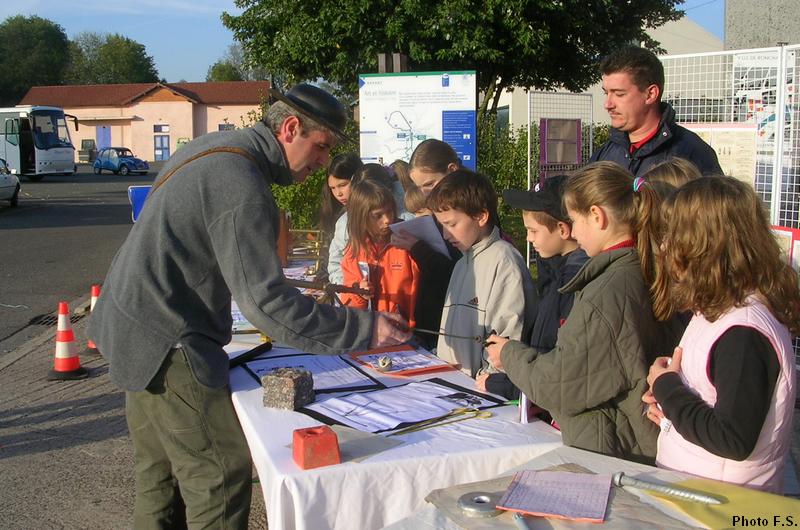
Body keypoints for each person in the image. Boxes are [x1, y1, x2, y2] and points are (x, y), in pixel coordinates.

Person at [88, 83, 411, 528]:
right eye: (321, 148)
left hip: (130, 327)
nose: (322, 164)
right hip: (168, 342)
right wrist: (363, 329)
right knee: (220, 477)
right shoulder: (240, 182)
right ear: (291, 128)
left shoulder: (217, 148)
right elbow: (267, 305)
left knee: (159, 478)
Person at [487, 161, 683, 464]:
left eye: (575, 221)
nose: (574, 233)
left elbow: (561, 385)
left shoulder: (608, 290)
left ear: (597, 216)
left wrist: (510, 354)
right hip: (635, 440)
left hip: (615, 453)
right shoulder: (644, 266)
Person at [643, 176, 799, 493]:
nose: (664, 247)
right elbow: (716, 394)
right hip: (704, 489)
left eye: (673, 237)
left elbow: (733, 438)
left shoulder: (743, 331)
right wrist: (673, 400)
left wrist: (667, 387)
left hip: (724, 505)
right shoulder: (723, 308)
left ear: (702, 247)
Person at [479, 175, 589, 399]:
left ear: (562, 229)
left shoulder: (575, 284)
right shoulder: (556, 274)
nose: (527, 238)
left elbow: (563, 369)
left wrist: (508, 371)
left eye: (533, 230)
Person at [429, 169, 536, 378]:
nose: (445, 234)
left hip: (483, 396)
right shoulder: (461, 263)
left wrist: (489, 382)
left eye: (451, 224)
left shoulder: (504, 261)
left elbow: (507, 336)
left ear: (480, 216)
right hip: (454, 389)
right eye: (441, 225)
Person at [591, 46, 722, 177]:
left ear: (650, 94)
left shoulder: (692, 154)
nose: (607, 104)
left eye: (619, 94)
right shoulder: (604, 154)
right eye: (606, 93)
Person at [392, 139, 463, 348]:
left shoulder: (465, 212)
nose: (425, 194)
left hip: (453, 322)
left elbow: (456, 271)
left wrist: (418, 248)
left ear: (452, 170)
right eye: (419, 187)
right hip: (433, 319)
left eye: (430, 184)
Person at [339, 176, 420, 325]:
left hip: (409, 331)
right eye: (378, 215)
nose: (387, 219)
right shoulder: (354, 252)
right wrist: (359, 293)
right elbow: (350, 308)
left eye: (390, 212)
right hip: (373, 332)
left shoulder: (406, 241)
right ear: (361, 218)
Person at [321, 153, 363, 283]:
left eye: (343, 185)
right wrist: (345, 290)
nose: (338, 193)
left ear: (358, 179)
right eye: (332, 188)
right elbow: (335, 260)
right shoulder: (343, 220)